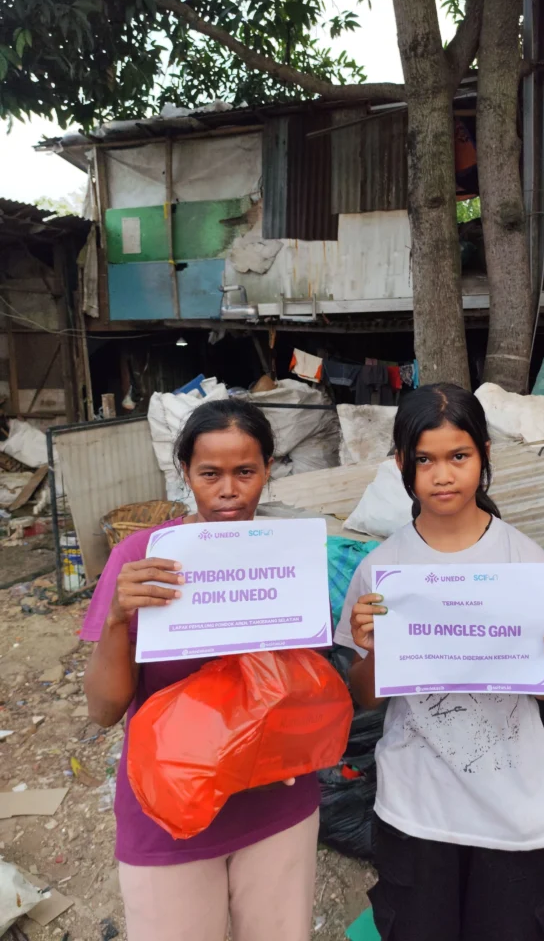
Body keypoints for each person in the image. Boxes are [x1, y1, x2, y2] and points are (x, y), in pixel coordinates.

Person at [334, 383, 544, 941]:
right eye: (425, 460)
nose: (442, 475)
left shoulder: (523, 561)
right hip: (416, 809)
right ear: (401, 463)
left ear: (484, 455)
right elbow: (366, 697)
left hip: (513, 811)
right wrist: (376, 649)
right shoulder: (383, 567)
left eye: (458, 456)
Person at [82, 399, 319, 941]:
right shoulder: (144, 558)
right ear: (185, 472)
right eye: (210, 474)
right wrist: (117, 618)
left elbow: (309, 683)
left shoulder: (292, 556)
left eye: (245, 472)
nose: (229, 490)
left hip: (275, 802)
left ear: (269, 469)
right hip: (169, 808)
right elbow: (103, 710)